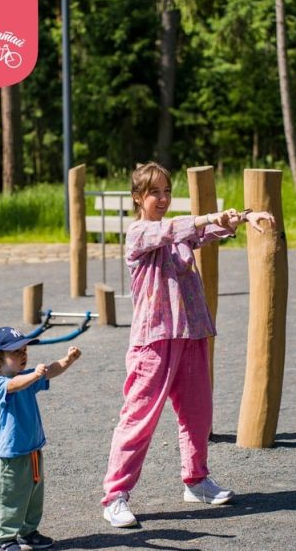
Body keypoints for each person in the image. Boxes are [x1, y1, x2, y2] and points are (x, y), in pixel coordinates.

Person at [102, 161, 275, 527]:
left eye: (167, 191)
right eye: (155, 193)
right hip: (154, 339)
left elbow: (208, 230)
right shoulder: (139, 233)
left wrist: (243, 216)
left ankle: (196, 481)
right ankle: (115, 496)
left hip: (192, 333)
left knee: (198, 415)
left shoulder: (177, 233)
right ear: (138, 197)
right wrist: (208, 216)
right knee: (138, 420)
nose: (163, 198)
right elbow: (172, 229)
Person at [0, 326, 81, 551]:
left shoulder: (29, 377)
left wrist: (68, 360)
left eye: (24, 350)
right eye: (15, 352)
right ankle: (6, 539)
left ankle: (28, 532)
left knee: (33, 494)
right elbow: (15, 385)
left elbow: (50, 371)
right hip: (12, 453)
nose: (23, 355)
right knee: (10, 495)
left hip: (33, 448)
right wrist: (35, 375)